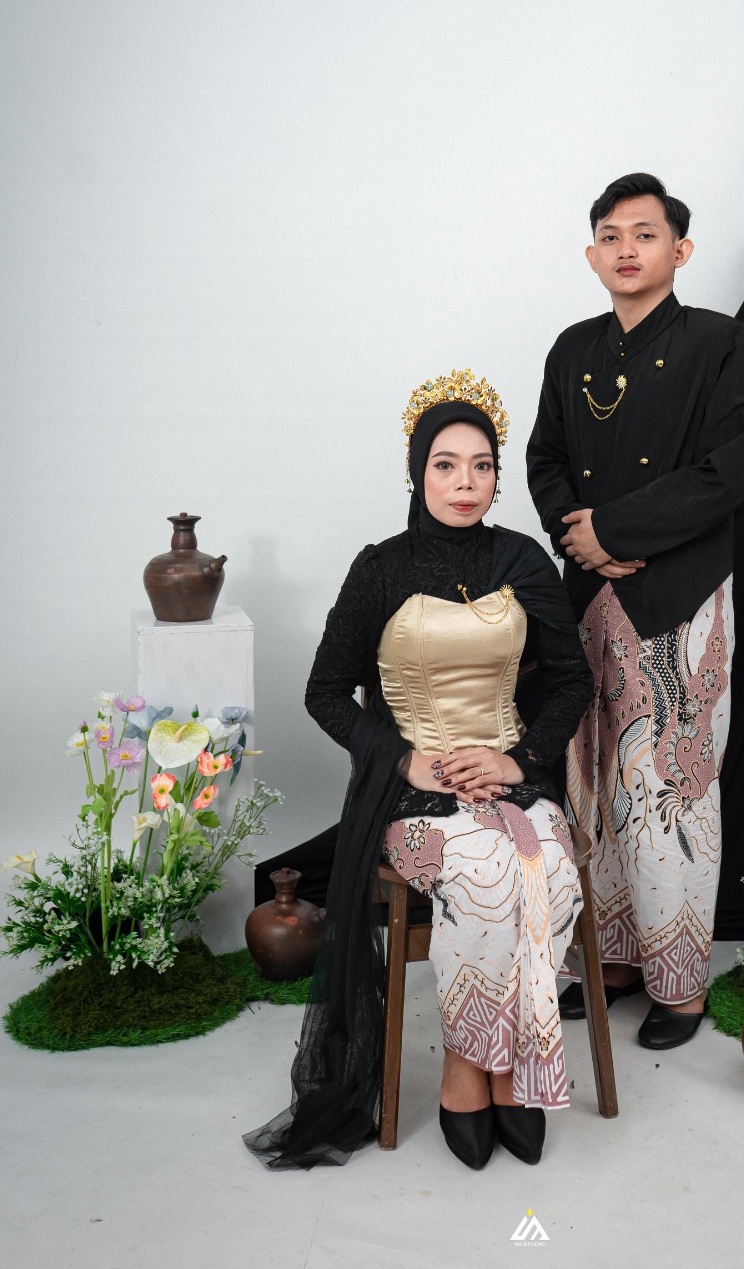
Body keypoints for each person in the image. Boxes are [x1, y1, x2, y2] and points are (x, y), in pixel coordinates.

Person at [245, 371, 593, 1171]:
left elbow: (572, 680)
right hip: (411, 795)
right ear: (417, 472)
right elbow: (325, 691)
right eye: (446, 464)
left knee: (547, 872)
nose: (465, 482)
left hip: (515, 777)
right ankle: (469, 1067)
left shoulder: (522, 559)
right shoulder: (380, 569)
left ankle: (508, 1069)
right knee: (485, 878)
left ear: (497, 475)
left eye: (481, 465)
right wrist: (409, 760)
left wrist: (517, 758)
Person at [526, 174, 744, 1050]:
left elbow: (728, 471)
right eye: (610, 235)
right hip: (586, 599)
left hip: (679, 601)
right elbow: (546, 459)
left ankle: (681, 989)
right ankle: (615, 962)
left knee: (670, 791)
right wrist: (580, 538)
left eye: (645, 233)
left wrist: (617, 532)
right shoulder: (572, 349)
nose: (626, 249)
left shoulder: (719, 342)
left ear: (680, 250)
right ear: (592, 255)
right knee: (594, 782)